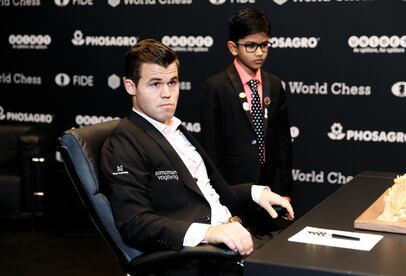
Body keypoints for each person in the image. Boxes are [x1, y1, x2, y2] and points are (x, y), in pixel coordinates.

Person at [100, 39, 294, 261]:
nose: (167, 93)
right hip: (202, 256)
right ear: (130, 86)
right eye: (155, 84)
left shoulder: (176, 128)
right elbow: (135, 223)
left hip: (239, 235)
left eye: (172, 82)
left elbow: (206, 193)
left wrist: (256, 192)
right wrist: (210, 233)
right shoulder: (124, 142)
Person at [200, 9, 293, 201]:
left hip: (271, 186)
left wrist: (285, 191)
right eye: (250, 46)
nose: (259, 52)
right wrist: (218, 196)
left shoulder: (274, 84)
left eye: (264, 45)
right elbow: (212, 149)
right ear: (233, 48)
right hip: (233, 187)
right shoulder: (216, 87)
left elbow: (283, 143)